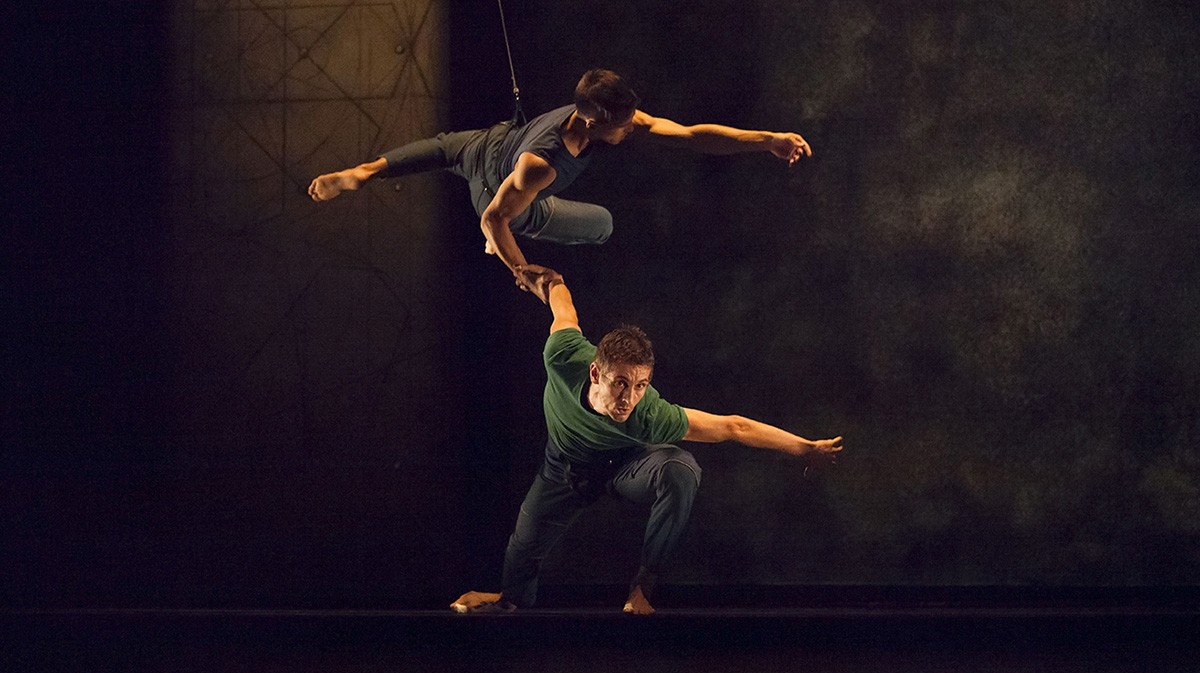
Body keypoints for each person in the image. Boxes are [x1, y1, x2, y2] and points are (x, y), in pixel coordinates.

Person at [450, 265, 844, 615]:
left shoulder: (649, 414)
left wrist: (805, 447)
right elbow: (563, 308)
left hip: (624, 466)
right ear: (595, 374)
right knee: (521, 549)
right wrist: (551, 280)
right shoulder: (562, 355)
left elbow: (732, 427)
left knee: (680, 468)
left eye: (640, 385)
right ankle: (510, 599)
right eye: (621, 383)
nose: (629, 398)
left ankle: (641, 588)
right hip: (564, 468)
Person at [307, 69, 812, 301]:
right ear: (591, 122)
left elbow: (688, 136)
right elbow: (494, 216)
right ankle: (502, 252)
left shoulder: (603, 115)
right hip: (499, 186)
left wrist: (765, 139)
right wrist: (524, 272)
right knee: (598, 224)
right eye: (622, 126)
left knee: (443, 148)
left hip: (487, 141)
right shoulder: (543, 165)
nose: (632, 129)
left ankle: (363, 172)